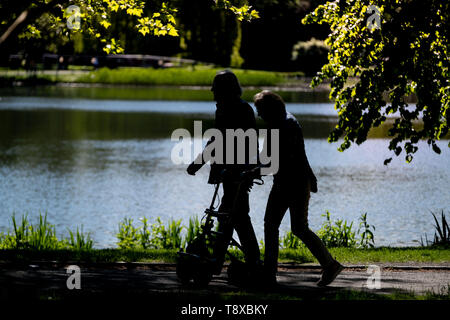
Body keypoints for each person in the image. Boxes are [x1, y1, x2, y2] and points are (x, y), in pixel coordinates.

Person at [253, 90, 343, 287]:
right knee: (285, 226)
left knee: (286, 226)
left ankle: (270, 274)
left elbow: (278, 161)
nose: (258, 115)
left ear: (270, 108)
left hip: (291, 184)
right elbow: (269, 157)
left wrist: (254, 172)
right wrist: (253, 167)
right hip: (290, 181)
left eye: (260, 110)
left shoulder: (285, 125)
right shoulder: (280, 122)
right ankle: (328, 265)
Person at [186, 70, 261, 275]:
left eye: (216, 89)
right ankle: (218, 262)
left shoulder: (242, 109)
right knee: (229, 215)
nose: (213, 93)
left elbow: (249, 142)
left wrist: (242, 170)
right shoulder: (223, 108)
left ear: (224, 90)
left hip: (238, 173)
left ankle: (250, 262)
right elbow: (216, 139)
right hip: (227, 171)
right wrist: (200, 163)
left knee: (237, 217)